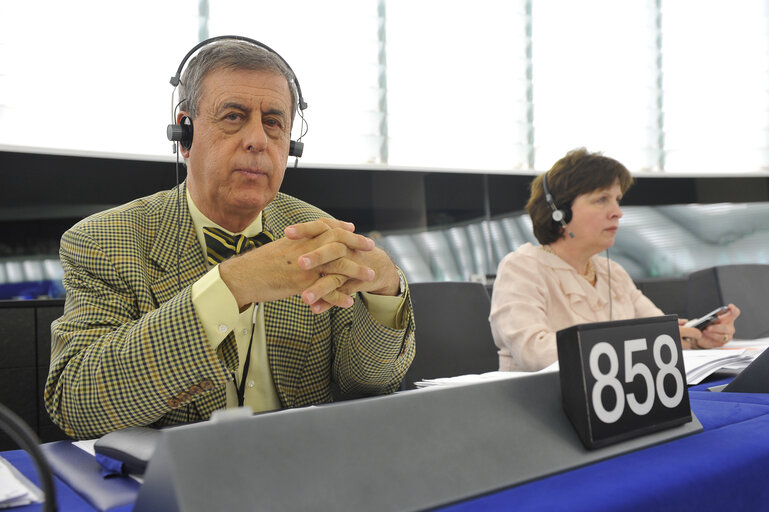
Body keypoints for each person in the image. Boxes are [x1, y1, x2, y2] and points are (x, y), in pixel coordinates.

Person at [44, 38, 415, 440]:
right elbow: (76, 404)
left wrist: (384, 291)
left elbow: (367, 386)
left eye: (273, 122)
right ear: (184, 134)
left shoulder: (317, 232)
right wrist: (233, 285)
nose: (258, 140)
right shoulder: (104, 241)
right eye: (234, 116)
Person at [489, 148, 740, 372]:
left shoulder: (613, 272)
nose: (617, 213)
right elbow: (535, 353)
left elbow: (658, 333)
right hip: (539, 412)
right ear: (559, 212)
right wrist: (642, 340)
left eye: (617, 200)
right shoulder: (521, 267)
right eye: (601, 200)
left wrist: (697, 339)